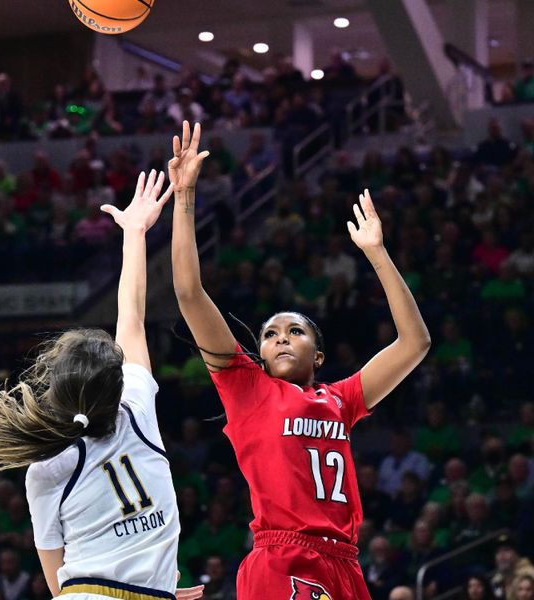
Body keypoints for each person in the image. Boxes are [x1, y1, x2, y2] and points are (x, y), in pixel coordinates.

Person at [168, 121, 431, 599]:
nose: (281, 338)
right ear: (260, 354)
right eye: (270, 334)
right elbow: (188, 292)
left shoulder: (341, 399)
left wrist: (376, 254)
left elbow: (415, 343)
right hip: (283, 556)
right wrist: (184, 199)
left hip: (345, 563)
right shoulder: (247, 387)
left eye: (296, 331)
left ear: (319, 354)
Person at [0, 171, 204, 600]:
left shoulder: (44, 468)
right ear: (115, 387)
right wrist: (135, 233)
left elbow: (59, 581)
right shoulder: (136, 407)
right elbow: (131, 316)